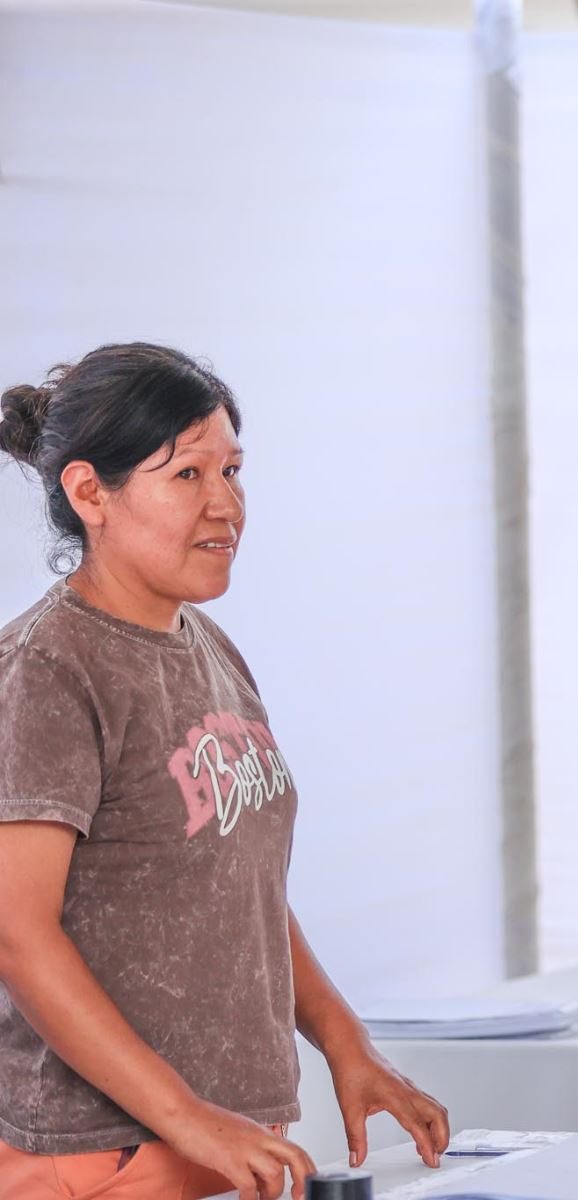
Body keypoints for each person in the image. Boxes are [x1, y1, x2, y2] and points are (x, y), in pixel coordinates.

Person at [0, 345, 450, 1200]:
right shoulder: (46, 671)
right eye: (187, 474)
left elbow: (230, 878)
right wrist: (186, 1115)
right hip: (104, 1155)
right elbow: (18, 936)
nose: (226, 504)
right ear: (90, 493)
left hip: (223, 1143)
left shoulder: (205, 646)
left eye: (234, 470)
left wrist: (344, 1043)